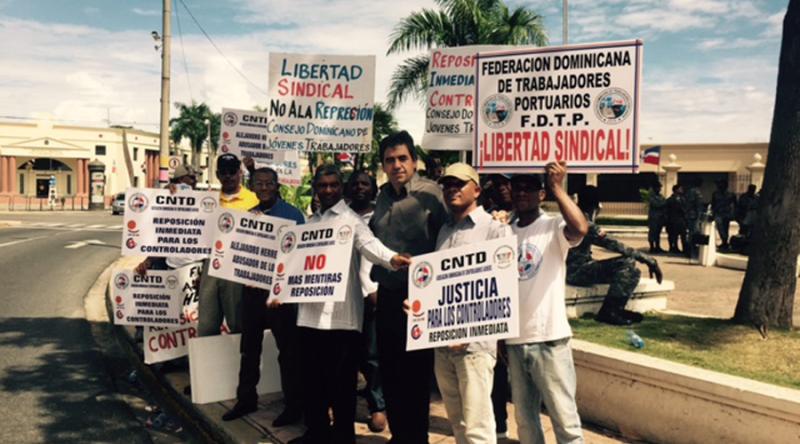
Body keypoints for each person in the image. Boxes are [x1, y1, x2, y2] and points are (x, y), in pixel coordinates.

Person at [289, 165, 411, 444]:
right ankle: (316, 432)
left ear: (341, 187)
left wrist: (392, 259)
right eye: (323, 185)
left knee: (341, 386)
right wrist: (277, 292)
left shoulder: (351, 220)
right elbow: (291, 266)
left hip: (341, 319)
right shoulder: (309, 224)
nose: (328, 190)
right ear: (316, 189)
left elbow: (372, 246)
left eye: (333, 185)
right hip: (309, 317)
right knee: (313, 383)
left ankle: (344, 437)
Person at [369, 130, 448, 444]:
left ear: (414, 161)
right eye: (390, 160)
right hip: (388, 297)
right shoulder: (381, 196)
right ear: (384, 165)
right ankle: (400, 436)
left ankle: (417, 438)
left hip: (419, 298)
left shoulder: (431, 194)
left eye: (403, 158)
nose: (397, 165)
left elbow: (449, 239)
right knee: (390, 369)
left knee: (416, 375)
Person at [506, 163, 588, 444]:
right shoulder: (504, 232)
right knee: (525, 423)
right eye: (517, 188)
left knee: (566, 422)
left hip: (550, 340)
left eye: (529, 188)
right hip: (515, 342)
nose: (522, 194)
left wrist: (557, 187)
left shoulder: (553, 225)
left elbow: (580, 228)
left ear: (541, 195)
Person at [430, 163, 511, 444]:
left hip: (474, 347)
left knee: (478, 426)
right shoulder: (444, 230)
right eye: (447, 184)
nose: (451, 189)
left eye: (459, 183)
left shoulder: (494, 229)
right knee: (458, 422)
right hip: (443, 346)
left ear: (476, 189)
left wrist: (469, 333)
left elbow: (501, 289)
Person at [223, 167, 306, 423]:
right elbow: (242, 256)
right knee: (249, 350)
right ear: (254, 187)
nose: (265, 187)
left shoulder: (292, 215)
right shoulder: (248, 216)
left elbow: (299, 256)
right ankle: (246, 400)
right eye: (259, 184)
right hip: (253, 295)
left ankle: (293, 407)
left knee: (288, 352)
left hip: (280, 297)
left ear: (277, 185)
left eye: (269, 183)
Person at [567, 186, 663, 326]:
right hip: (576, 273)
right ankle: (608, 313)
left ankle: (616, 310)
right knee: (627, 263)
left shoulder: (574, 218)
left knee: (632, 271)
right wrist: (649, 260)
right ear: (596, 205)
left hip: (574, 270)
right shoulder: (585, 223)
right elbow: (615, 245)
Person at [197, 154, 259, 336]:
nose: (228, 176)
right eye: (223, 172)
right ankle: (208, 363)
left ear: (240, 173)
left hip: (238, 264)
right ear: (217, 174)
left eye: (232, 172)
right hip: (211, 262)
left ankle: (241, 361)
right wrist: (172, 191)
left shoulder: (254, 199)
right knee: (207, 324)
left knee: (237, 322)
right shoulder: (207, 200)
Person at [346, 170, 387, 433]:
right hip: (344, 297)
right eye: (355, 184)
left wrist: (374, 288)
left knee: (373, 356)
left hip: (372, 293)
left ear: (373, 189)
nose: (360, 188)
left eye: (365, 184)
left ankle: (377, 406)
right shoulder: (341, 216)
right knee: (347, 356)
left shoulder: (382, 216)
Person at [711, 180, 736, 250]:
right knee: (720, 228)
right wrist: (713, 213)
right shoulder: (715, 194)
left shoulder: (731, 194)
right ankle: (724, 241)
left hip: (726, 214)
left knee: (725, 228)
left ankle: (725, 242)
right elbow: (713, 204)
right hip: (718, 213)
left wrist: (733, 213)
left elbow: (735, 204)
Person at [684, 177, 705, 257]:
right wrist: (699, 217)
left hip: (689, 215)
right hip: (694, 216)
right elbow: (698, 206)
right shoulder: (696, 192)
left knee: (690, 234)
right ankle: (692, 252)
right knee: (694, 234)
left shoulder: (689, 192)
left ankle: (689, 251)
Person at [666, 184, 689, 255]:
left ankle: (685, 249)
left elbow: (685, 209)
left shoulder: (683, 199)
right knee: (673, 236)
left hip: (682, 220)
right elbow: (667, 211)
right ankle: (674, 248)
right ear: (676, 190)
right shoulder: (670, 200)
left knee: (683, 236)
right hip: (673, 220)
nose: (682, 190)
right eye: (680, 188)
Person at [647, 182, 667, 253]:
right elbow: (656, 204)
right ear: (654, 188)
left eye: (660, 188)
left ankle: (657, 247)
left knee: (658, 233)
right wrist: (663, 203)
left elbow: (664, 202)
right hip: (654, 217)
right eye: (658, 187)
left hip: (660, 218)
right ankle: (652, 247)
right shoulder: (651, 196)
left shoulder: (660, 196)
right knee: (652, 232)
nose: (659, 189)